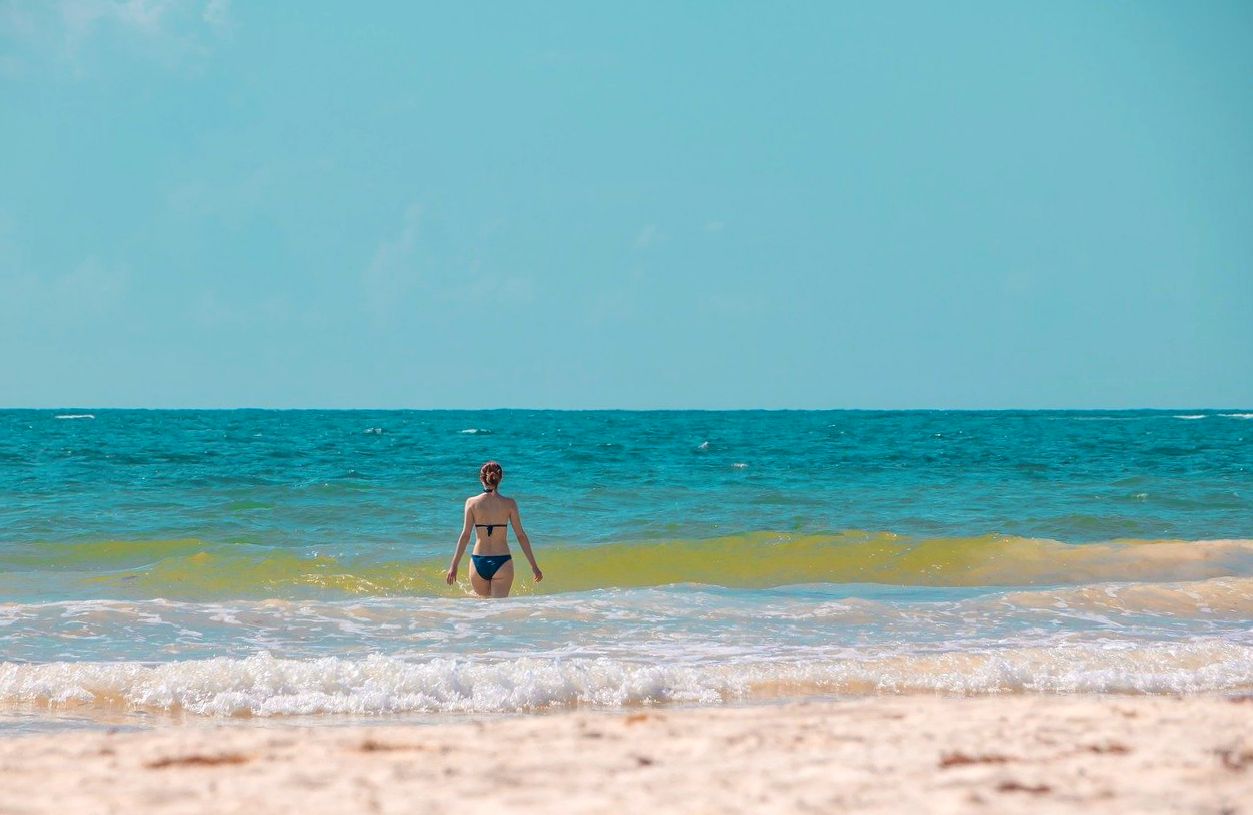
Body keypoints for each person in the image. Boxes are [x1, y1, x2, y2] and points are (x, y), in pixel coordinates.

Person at [445, 461, 542, 598]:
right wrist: (534, 566)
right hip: (503, 562)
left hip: (478, 561)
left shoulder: (471, 503)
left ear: (481, 478)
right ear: (500, 478)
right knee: (500, 610)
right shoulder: (509, 503)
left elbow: (465, 535)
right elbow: (520, 535)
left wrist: (454, 565)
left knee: (482, 611)